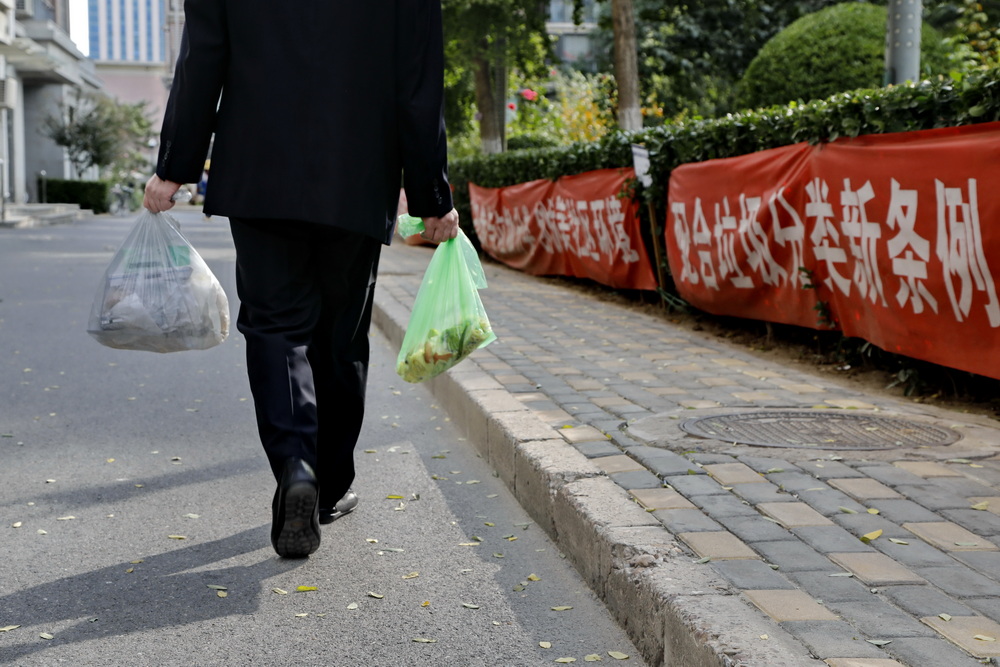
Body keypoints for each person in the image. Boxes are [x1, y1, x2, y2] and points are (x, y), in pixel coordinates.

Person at [143, 1, 459, 559]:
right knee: (340, 336)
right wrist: (432, 194)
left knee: (275, 325)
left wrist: (174, 168)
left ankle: (296, 466)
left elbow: (201, 60)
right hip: (358, 174)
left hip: (259, 173)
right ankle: (329, 486)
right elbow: (418, 80)